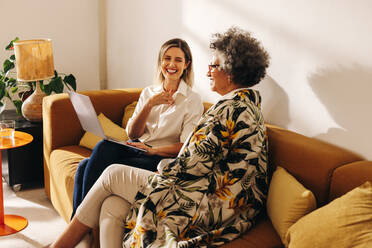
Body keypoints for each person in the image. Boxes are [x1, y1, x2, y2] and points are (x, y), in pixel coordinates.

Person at [51, 26, 270, 248]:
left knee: (112, 174)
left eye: (213, 66)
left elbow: (192, 161)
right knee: (113, 203)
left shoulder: (229, 109)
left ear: (230, 71)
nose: (208, 72)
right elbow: (202, 158)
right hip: (215, 193)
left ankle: (63, 244)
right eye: (167, 58)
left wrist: (162, 163)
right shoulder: (244, 106)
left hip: (210, 200)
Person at [71, 38, 204, 218]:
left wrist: (153, 150)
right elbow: (132, 133)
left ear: (187, 64)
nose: (171, 64)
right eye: (167, 58)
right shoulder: (149, 92)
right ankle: (80, 225)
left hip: (159, 157)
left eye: (178, 60)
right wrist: (149, 105)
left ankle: (78, 225)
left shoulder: (192, 100)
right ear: (160, 61)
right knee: (101, 148)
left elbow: (185, 146)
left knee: (86, 166)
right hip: (136, 147)